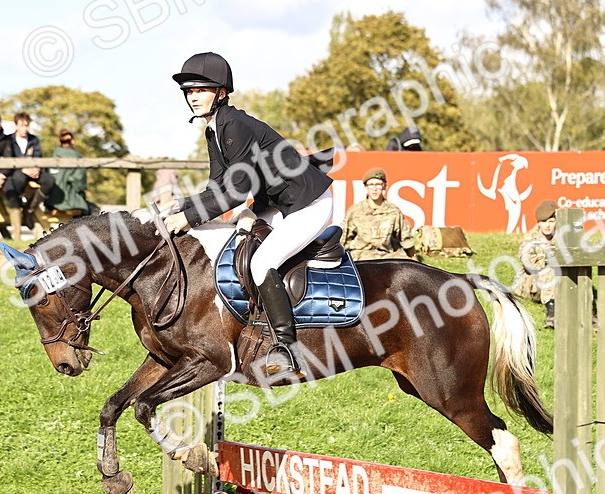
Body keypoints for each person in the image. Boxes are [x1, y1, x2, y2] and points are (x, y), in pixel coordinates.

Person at [162, 52, 333, 377]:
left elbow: (237, 191)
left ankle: (288, 350)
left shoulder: (234, 125)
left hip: (308, 203)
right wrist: (182, 206)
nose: (193, 96)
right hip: (276, 203)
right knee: (235, 245)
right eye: (189, 91)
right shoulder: (214, 129)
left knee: (261, 262)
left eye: (200, 90)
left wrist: (188, 218)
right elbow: (217, 187)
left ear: (221, 92)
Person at [341, 168, 416, 261]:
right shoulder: (355, 211)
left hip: (386, 257)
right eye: (371, 185)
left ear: (384, 186)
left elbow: (406, 240)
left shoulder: (394, 211)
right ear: (366, 187)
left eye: (378, 184)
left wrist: (415, 261)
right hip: (360, 257)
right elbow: (343, 238)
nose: (374, 188)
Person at [3, 112, 55, 238]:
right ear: (16, 126)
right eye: (22, 125)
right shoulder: (8, 140)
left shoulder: (34, 140)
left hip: (33, 171)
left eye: (27, 125)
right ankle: (17, 231)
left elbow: (38, 156)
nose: (25, 128)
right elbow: (8, 160)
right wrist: (23, 169)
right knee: (18, 179)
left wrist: (36, 168)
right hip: (16, 173)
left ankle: (29, 208)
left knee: (49, 180)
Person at [518, 199, 559, 329]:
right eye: (543, 221)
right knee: (550, 270)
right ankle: (551, 312)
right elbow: (529, 265)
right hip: (533, 285)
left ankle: (590, 314)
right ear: (538, 223)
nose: (547, 225)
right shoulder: (530, 239)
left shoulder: (562, 238)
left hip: (559, 282)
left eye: (551, 221)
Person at [48, 129, 91, 215]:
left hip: (50, 202)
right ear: (73, 141)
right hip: (70, 202)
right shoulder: (78, 158)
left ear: (59, 142)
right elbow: (80, 186)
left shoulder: (52, 157)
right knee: (94, 211)